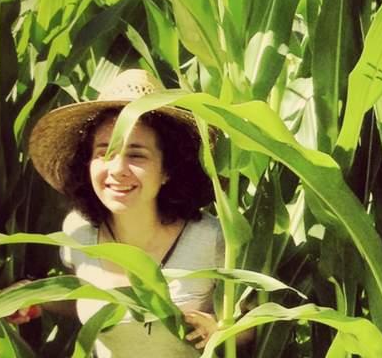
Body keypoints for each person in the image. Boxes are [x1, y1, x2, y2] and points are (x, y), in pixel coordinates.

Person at [20, 69, 241, 356]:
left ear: (167, 170)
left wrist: (222, 330)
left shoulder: (209, 238)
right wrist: (34, 297)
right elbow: (91, 303)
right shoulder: (78, 232)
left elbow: (253, 322)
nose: (117, 170)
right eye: (104, 152)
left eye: (136, 155)